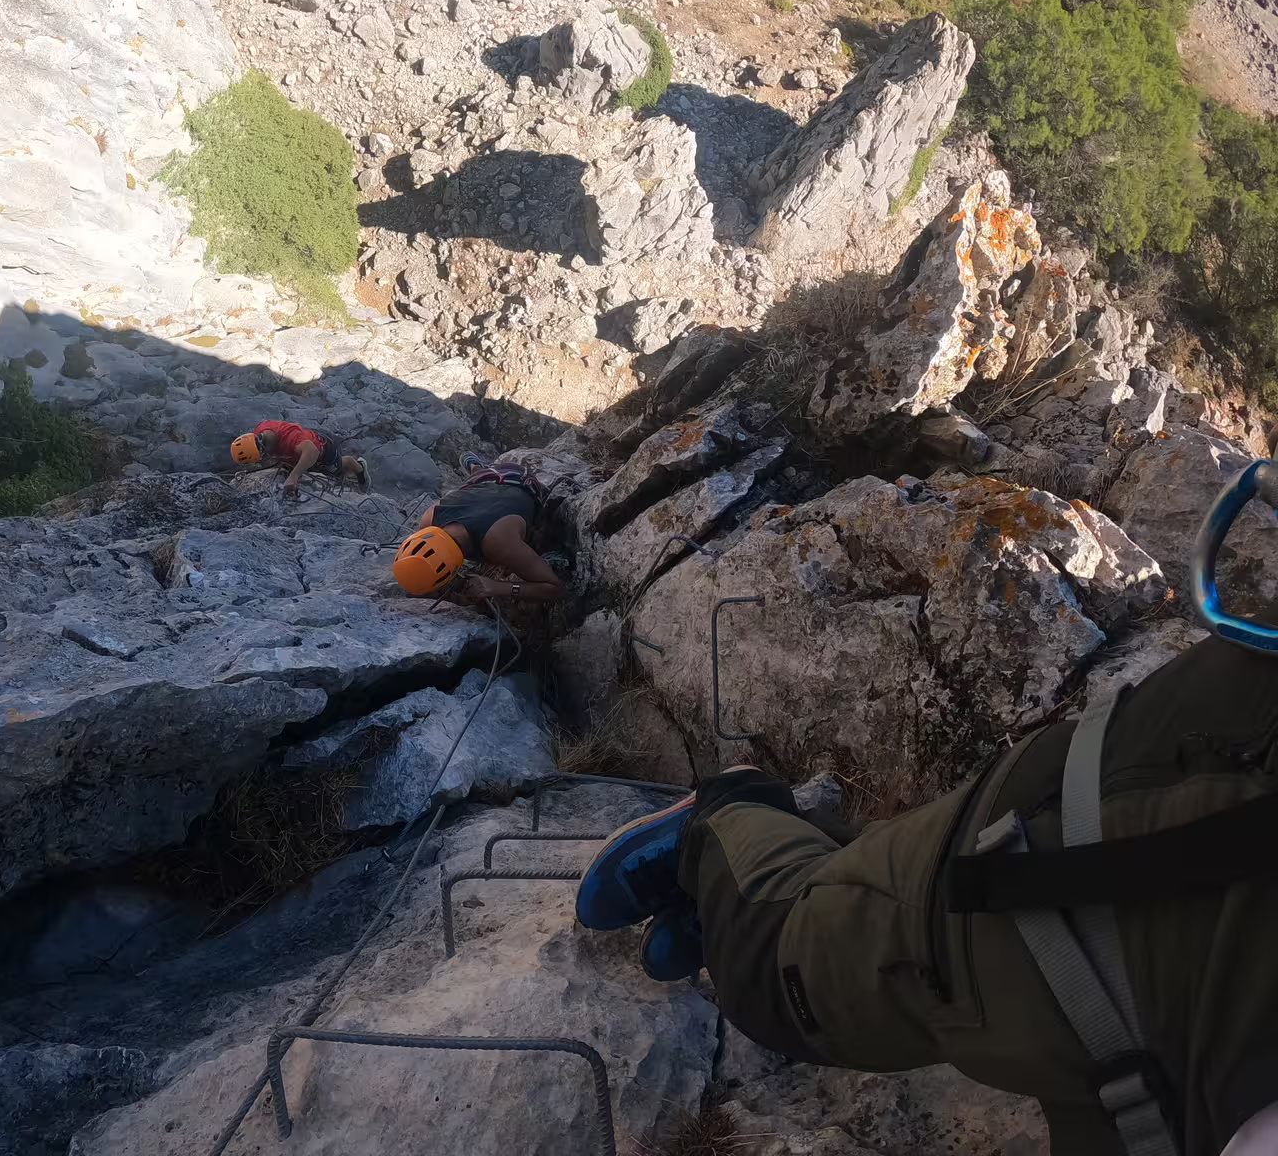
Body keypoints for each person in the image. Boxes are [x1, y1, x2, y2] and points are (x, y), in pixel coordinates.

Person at [574, 636, 1278, 1156]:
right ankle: (725, 816)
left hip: (1159, 884)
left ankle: (759, 884)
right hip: (1109, 865)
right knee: (773, 974)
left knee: (866, 898)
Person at [391, 456, 567, 604]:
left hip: (522, 481)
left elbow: (554, 588)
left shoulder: (498, 543)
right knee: (473, 482)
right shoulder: (430, 519)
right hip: (485, 479)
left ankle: (476, 466)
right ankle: (475, 466)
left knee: (478, 483)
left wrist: (498, 587)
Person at [230, 420, 368, 497]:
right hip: (294, 453)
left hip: (323, 450)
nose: (264, 459)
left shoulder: (290, 437)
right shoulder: (261, 431)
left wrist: (294, 476)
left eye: (264, 456)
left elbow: (312, 451)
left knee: (334, 469)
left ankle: (360, 468)